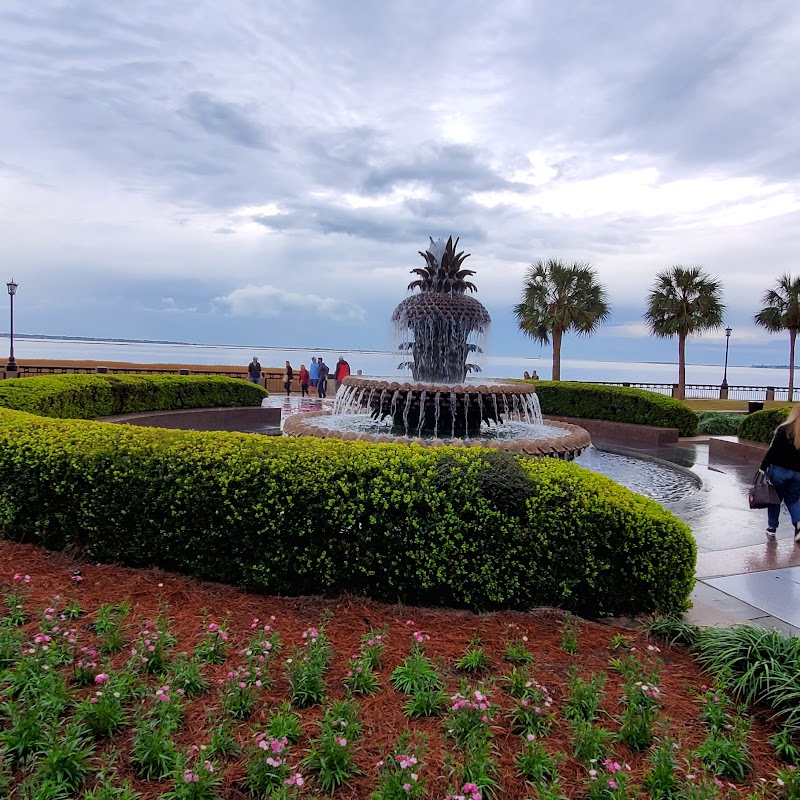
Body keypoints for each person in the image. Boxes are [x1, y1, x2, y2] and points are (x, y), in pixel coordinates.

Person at [760, 404, 800, 543]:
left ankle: (772, 528)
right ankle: (799, 525)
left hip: (779, 471)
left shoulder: (784, 429)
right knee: (794, 500)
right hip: (798, 474)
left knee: (774, 499)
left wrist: (763, 466)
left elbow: (773, 450)